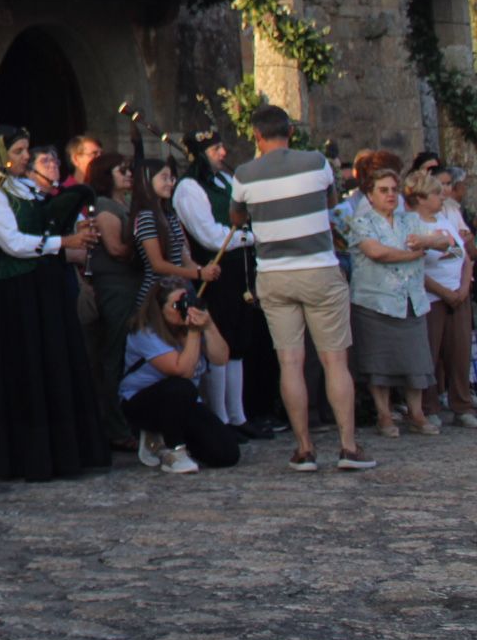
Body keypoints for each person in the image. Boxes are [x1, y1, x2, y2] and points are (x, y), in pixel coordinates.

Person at [0, 125, 109, 481]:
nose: (26, 157)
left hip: (45, 287)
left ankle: (66, 451)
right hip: (16, 291)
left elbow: (46, 224)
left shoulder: (26, 187)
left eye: (27, 150)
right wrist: (64, 241)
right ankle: (29, 456)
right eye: (18, 151)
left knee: (56, 362)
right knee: (26, 367)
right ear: (0, 155)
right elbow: (12, 242)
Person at [230, 105, 374, 472]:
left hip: (275, 274)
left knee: (289, 362)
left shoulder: (244, 173)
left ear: (257, 136)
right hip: (319, 268)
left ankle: (304, 448)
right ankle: (348, 446)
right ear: (290, 132)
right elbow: (329, 202)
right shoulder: (316, 162)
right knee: (334, 361)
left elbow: (236, 217)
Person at [343, 168, 456, 437]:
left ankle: (416, 414)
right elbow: (377, 252)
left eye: (394, 189)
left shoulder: (410, 220)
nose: (390, 195)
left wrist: (426, 241)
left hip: (410, 300)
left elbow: (445, 242)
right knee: (378, 364)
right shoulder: (362, 223)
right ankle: (384, 415)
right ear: (370, 195)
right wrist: (413, 254)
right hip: (375, 303)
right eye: (383, 190)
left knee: (415, 360)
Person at [172, 129, 269, 439]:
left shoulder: (226, 182)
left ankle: (238, 416)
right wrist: (252, 237)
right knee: (219, 342)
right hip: (215, 271)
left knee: (239, 342)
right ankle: (220, 418)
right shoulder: (188, 188)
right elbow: (209, 236)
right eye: (215, 149)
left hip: (240, 268)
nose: (223, 153)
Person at [119, 279, 242, 472]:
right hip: (142, 403)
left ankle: (165, 437)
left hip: (184, 402)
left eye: (187, 302)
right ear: (159, 309)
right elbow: (181, 372)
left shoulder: (190, 325)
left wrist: (208, 326)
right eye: (177, 305)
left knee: (226, 454)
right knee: (180, 387)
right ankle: (174, 451)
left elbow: (221, 359)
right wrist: (193, 333)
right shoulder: (146, 332)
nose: (183, 309)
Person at [83, 152, 142, 451]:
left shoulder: (127, 204)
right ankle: (114, 425)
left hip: (132, 283)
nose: (128, 175)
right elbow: (117, 249)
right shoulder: (105, 207)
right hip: (115, 285)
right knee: (114, 353)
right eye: (122, 171)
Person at [414, 170, 476, 427]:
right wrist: (444, 292)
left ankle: (461, 404)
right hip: (433, 296)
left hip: (458, 294)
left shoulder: (446, 219)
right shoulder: (413, 224)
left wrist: (463, 288)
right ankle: (429, 406)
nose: (443, 197)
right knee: (431, 352)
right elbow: (417, 267)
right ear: (420, 197)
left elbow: (465, 257)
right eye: (436, 193)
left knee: (460, 351)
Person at [132, 157, 215, 307]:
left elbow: (184, 259)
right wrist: (197, 274)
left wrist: (204, 270)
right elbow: (158, 265)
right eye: (164, 178)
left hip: (179, 290)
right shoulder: (145, 217)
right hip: (158, 294)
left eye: (171, 178)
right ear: (146, 181)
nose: (170, 183)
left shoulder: (169, 215)